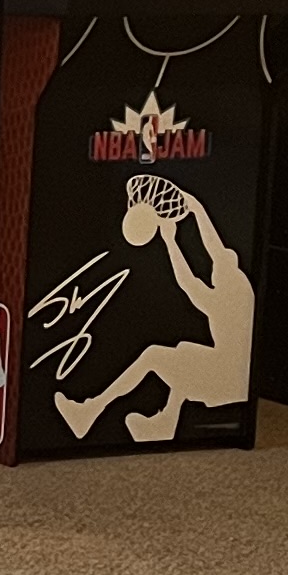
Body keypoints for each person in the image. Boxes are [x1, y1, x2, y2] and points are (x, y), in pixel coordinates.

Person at [52, 174, 252, 444]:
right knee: (185, 352)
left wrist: (191, 218)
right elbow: (202, 268)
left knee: (154, 356)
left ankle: (90, 409)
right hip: (232, 373)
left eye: (222, 264)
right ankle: (165, 423)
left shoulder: (225, 300)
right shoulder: (236, 294)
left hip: (227, 379)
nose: (219, 262)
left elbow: (199, 268)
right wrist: (182, 225)